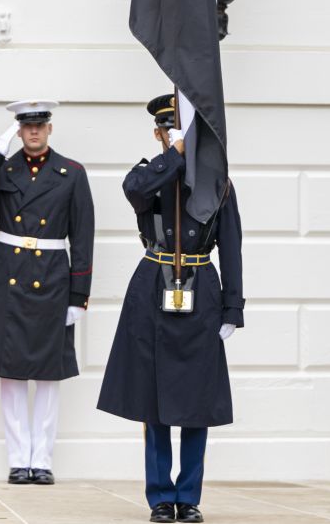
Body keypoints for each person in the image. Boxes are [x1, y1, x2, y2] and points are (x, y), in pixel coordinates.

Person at [96, 94, 244, 524]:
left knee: (197, 403)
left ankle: (189, 496)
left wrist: (233, 307)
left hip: (200, 291)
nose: (173, 136)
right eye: (167, 131)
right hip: (153, 287)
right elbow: (137, 191)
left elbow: (231, 247)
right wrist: (176, 155)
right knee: (153, 402)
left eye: (183, 133)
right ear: (158, 134)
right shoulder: (148, 174)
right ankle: (161, 496)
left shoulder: (219, 184)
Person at [0, 100, 94, 486]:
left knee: (48, 376)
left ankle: (43, 460)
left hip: (52, 276)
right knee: (12, 374)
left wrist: (78, 295)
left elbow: (82, 237)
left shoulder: (71, 172)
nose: (33, 132)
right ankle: (20, 460)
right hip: (9, 275)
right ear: (18, 131)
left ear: (50, 128)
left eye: (40, 125)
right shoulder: (5, 167)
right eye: (26, 126)